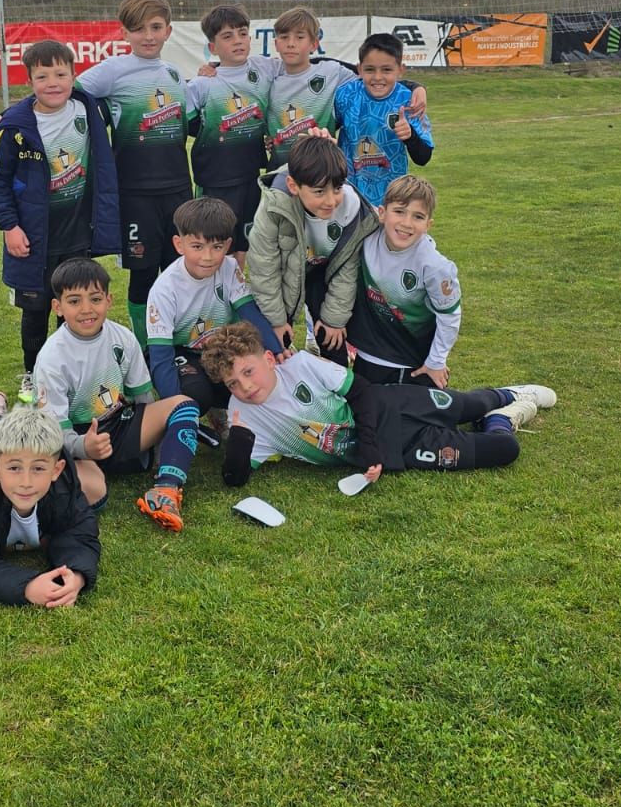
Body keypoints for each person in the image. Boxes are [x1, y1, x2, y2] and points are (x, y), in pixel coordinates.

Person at [199, 323, 556, 485]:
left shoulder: (300, 366)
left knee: (469, 404)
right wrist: (240, 436)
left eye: (248, 371)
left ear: (269, 359)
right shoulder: (244, 415)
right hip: (400, 449)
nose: (246, 386)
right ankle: (502, 419)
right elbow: (235, 478)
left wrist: (368, 448)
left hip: (392, 405)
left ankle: (505, 396)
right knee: (504, 449)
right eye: (233, 383)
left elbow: (362, 392)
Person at [28, 256, 202, 532]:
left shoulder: (123, 337)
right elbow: (54, 433)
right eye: (74, 301)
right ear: (57, 307)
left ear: (109, 300)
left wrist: (160, 441)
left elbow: (143, 399)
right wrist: (85, 447)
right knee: (96, 495)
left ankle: (165, 489)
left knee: (184, 406)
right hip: (77, 439)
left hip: (119, 426)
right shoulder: (52, 358)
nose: (87, 309)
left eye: (95, 299)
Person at [0, 38, 119, 381]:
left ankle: (67, 369)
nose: (53, 83)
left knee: (72, 303)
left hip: (77, 233)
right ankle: (32, 371)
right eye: (42, 77)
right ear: (29, 81)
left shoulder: (89, 108)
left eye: (60, 74)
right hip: (33, 238)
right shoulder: (13, 128)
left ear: (74, 76)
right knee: (36, 309)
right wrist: (9, 227)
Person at [145, 196, 285, 428]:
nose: (207, 257)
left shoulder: (229, 267)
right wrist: (175, 406)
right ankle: (199, 412)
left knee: (255, 376)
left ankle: (232, 412)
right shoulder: (164, 289)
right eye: (197, 246)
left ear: (227, 246)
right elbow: (160, 354)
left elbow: (249, 313)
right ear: (179, 244)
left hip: (220, 347)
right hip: (183, 351)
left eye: (217, 247)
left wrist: (277, 352)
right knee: (196, 395)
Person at [0, 403, 98, 608]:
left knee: (99, 492)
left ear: (56, 470)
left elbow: (80, 532)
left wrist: (76, 575)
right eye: (15, 468)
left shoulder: (65, 485)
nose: (26, 482)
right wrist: (27, 587)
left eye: (38, 468)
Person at [247, 134, 375, 356]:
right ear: (293, 186)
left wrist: (334, 320)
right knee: (274, 347)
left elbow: (346, 267)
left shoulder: (352, 208)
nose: (331, 201)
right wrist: (277, 321)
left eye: (337, 188)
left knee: (333, 343)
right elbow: (264, 268)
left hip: (324, 272)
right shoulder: (274, 207)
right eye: (319, 191)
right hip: (283, 273)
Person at [266, 7, 426, 173]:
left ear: (314, 44)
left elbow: (373, 76)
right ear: (276, 43)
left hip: (320, 169)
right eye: (284, 37)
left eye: (299, 37)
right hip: (278, 171)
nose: (291, 44)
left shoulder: (332, 72)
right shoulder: (267, 77)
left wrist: (416, 87)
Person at [347, 176, 459, 388]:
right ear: (382, 213)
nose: (407, 223)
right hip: (369, 354)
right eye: (399, 211)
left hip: (413, 361)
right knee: (365, 407)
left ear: (428, 224)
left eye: (418, 216)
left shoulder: (436, 267)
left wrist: (436, 362)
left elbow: (449, 316)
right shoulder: (367, 237)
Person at [187, 1, 276, 263]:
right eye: (227, 36)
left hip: (250, 175)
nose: (237, 40)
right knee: (214, 241)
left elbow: (306, 66)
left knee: (243, 242)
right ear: (212, 47)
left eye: (242, 33)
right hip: (216, 180)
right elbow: (189, 125)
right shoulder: (202, 84)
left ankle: (235, 285)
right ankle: (213, 287)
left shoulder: (265, 68)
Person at [332, 32, 433, 209]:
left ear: (400, 69)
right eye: (370, 69)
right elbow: (328, 128)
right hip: (348, 194)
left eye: (386, 70)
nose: (378, 77)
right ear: (359, 69)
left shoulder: (409, 101)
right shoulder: (346, 95)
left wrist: (410, 136)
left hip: (391, 198)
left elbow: (423, 157)